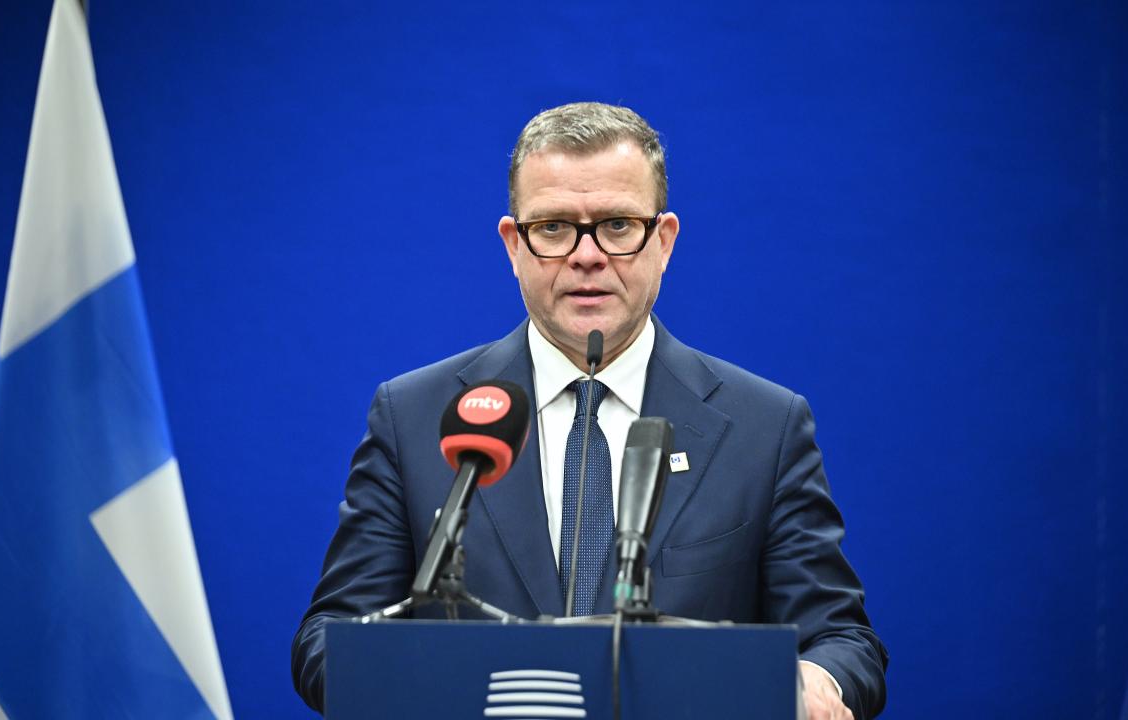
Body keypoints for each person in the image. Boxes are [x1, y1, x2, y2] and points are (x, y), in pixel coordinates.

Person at [292, 102, 887, 720]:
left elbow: (842, 639)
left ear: (664, 240)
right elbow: (328, 640)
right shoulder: (416, 416)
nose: (587, 255)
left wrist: (817, 681)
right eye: (553, 228)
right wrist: (422, 687)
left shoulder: (765, 426)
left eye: (617, 225)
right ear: (513, 245)